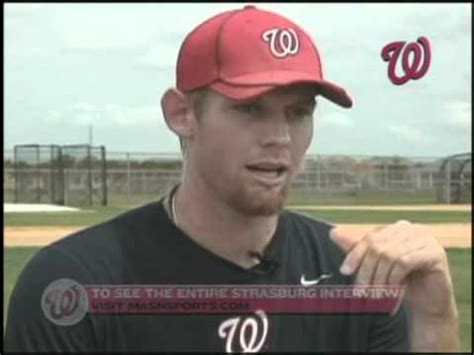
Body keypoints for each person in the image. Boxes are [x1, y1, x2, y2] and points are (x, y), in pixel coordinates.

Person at [4, 5, 459, 352]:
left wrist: (434, 322)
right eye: (248, 109)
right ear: (182, 114)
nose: (280, 137)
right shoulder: (74, 284)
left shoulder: (354, 279)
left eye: (298, 112)